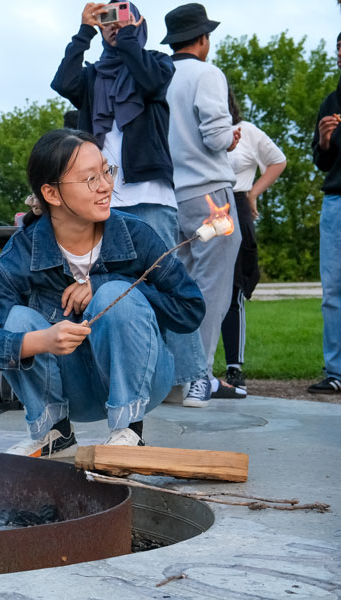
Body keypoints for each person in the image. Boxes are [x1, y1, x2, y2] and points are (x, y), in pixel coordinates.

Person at [0, 129, 205, 457]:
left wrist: (105, 284)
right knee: (16, 318)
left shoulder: (135, 236)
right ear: (52, 194)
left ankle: (129, 433)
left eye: (106, 171)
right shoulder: (22, 253)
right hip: (68, 385)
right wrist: (41, 341)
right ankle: (53, 434)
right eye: (90, 179)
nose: (105, 186)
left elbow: (190, 309)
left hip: (144, 379)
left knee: (115, 293)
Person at [51, 1, 208, 395]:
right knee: (107, 286)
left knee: (166, 283)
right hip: (101, 198)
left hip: (150, 195)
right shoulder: (93, 77)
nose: (113, 26)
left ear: (139, 25)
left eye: (120, 19)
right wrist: (84, 32)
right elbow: (63, 81)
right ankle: (135, 371)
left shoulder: (155, 63)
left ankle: (194, 376)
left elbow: (152, 83)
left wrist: (130, 40)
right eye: (107, 20)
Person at [163, 2, 245, 407]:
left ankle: (174, 380)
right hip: (212, 197)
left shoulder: (159, 74)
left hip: (168, 196)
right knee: (213, 290)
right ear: (202, 39)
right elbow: (215, 137)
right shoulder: (207, 73)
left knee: (179, 289)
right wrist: (230, 136)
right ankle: (199, 377)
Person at [220, 88, 286, 389]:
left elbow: (277, 161)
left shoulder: (246, 131)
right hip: (202, 205)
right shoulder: (195, 131)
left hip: (237, 206)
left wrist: (253, 193)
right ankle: (195, 370)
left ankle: (234, 367)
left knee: (233, 290)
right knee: (201, 290)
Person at [309, 32, 341, 395]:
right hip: (336, 200)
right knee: (333, 291)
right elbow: (322, 162)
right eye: (338, 49)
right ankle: (336, 371)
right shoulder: (331, 101)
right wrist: (324, 141)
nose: (340, 55)